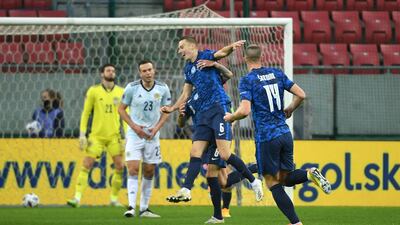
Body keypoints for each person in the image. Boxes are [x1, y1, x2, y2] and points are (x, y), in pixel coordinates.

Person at [224, 44, 332, 225]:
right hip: (284, 133)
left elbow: (244, 110)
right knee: (286, 178)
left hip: (267, 137)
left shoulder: (248, 80)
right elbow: (301, 94)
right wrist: (289, 109)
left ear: (244, 58)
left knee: (273, 183)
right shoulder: (277, 73)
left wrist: (230, 117)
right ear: (261, 57)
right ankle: (309, 174)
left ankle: (295, 223)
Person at [162, 36, 263, 224]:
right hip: (203, 116)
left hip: (219, 109)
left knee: (225, 155)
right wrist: (173, 108)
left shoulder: (206, 55)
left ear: (192, 46)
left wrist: (231, 47)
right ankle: (187, 190)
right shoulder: (188, 70)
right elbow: (185, 94)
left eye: (181, 47)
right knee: (196, 154)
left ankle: (253, 180)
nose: (179, 51)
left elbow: (221, 53)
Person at [177, 86, 259, 221]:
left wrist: (223, 139)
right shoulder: (191, 100)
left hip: (218, 140)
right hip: (203, 140)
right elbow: (181, 123)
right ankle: (253, 169)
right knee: (223, 182)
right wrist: (180, 116)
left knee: (214, 176)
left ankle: (219, 214)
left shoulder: (218, 96)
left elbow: (229, 119)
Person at [118, 59, 171, 218]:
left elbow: (166, 111)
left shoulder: (163, 88)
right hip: (134, 135)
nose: (148, 73)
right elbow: (121, 109)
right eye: (144, 71)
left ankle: (144, 209)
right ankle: (131, 207)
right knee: (133, 168)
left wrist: (156, 128)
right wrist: (134, 127)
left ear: (154, 70)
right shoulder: (131, 88)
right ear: (139, 73)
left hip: (152, 135)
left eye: (150, 70)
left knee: (149, 170)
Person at [67, 63, 125, 208]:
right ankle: (77, 198)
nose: (111, 72)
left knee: (120, 166)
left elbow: (126, 115)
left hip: (114, 136)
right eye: (108, 70)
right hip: (96, 137)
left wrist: (127, 137)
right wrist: (82, 135)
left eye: (113, 70)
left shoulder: (121, 92)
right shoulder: (93, 91)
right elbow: (85, 113)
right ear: (102, 74)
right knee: (87, 164)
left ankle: (113, 199)